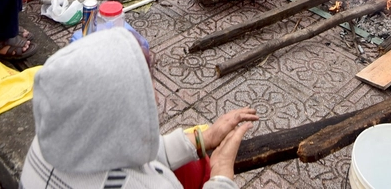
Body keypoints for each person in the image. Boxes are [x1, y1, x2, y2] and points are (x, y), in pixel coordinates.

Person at [21, 28, 257, 188]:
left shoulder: (49, 142)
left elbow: (128, 149)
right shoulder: (138, 184)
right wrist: (221, 174)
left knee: (190, 166)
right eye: (144, 85)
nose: (154, 98)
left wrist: (203, 138)